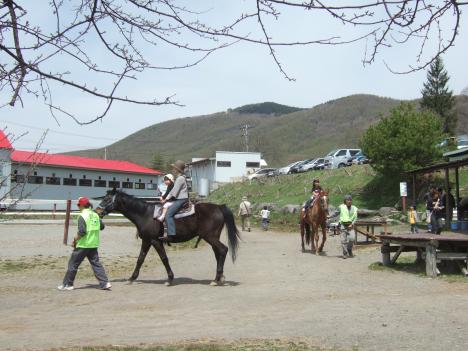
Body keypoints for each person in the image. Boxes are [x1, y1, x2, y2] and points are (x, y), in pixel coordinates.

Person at [58, 197, 111, 291]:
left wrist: (75, 239)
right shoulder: (95, 215)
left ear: (82, 205)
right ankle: (105, 283)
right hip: (93, 244)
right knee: (96, 264)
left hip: (83, 245)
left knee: (73, 264)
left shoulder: (82, 216)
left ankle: (68, 284)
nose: (78, 206)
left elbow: (82, 232)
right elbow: (102, 227)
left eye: (78, 205)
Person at [159, 160, 189, 242]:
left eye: (174, 169)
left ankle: (171, 234)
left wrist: (165, 200)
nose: (173, 170)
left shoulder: (180, 179)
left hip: (181, 200)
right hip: (182, 198)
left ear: (177, 170)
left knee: (168, 214)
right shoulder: (181, 178)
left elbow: (174, 192)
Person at [339, 194, 358, 259]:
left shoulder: (354, 208)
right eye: (348, 200)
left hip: (350, 225)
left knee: (352, 238)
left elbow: (355, 218)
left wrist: (352, 224)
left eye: (350, 200)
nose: (349, 201)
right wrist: (330, 216)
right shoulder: (341, 207)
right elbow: (336, 213)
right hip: (343, 225)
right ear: (345, 201)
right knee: (343, 240)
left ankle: (349, 249)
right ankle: (345, 253)